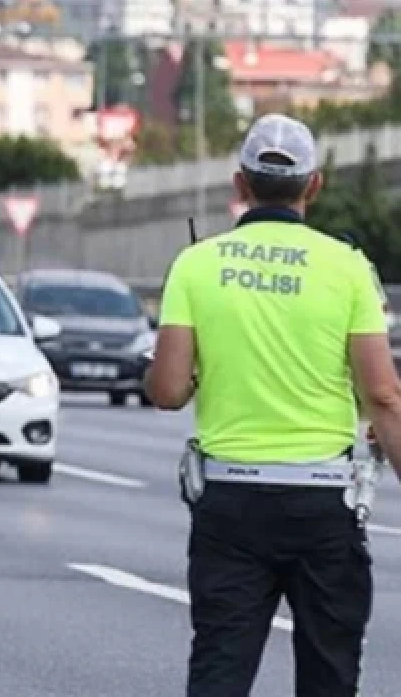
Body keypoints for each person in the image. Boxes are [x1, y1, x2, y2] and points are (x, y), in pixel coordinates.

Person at [146, 112, 401, 696]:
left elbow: (167, 391)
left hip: (230, 503)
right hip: (322, 504)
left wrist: (178, 374)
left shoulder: (196, 264)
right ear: (314, 185)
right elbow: (383, 394)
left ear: (241, 182)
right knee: (329, 673)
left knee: (220, 670)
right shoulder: (348, 268)